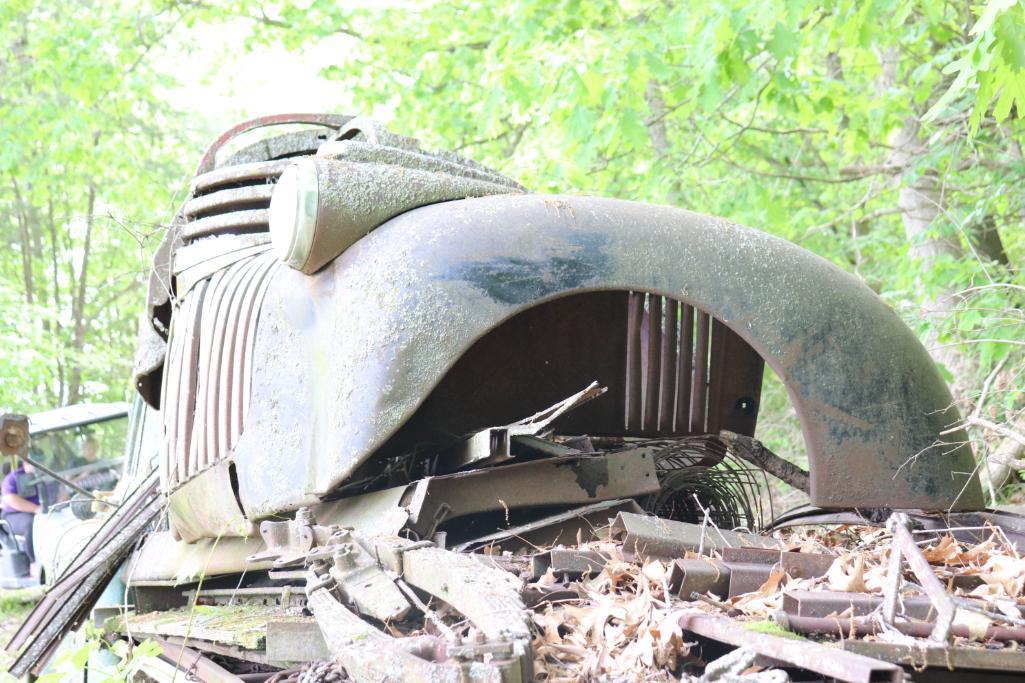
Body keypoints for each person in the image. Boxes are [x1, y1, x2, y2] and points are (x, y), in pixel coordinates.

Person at [1, 460, 40, 564]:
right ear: (25, 463)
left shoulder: (46, 475)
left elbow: (59, 491)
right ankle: (34, 563)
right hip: (14, 515)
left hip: (42, 511)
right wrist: (36, 509)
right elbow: (10, 498)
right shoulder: (13, 478)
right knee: (31, 524)